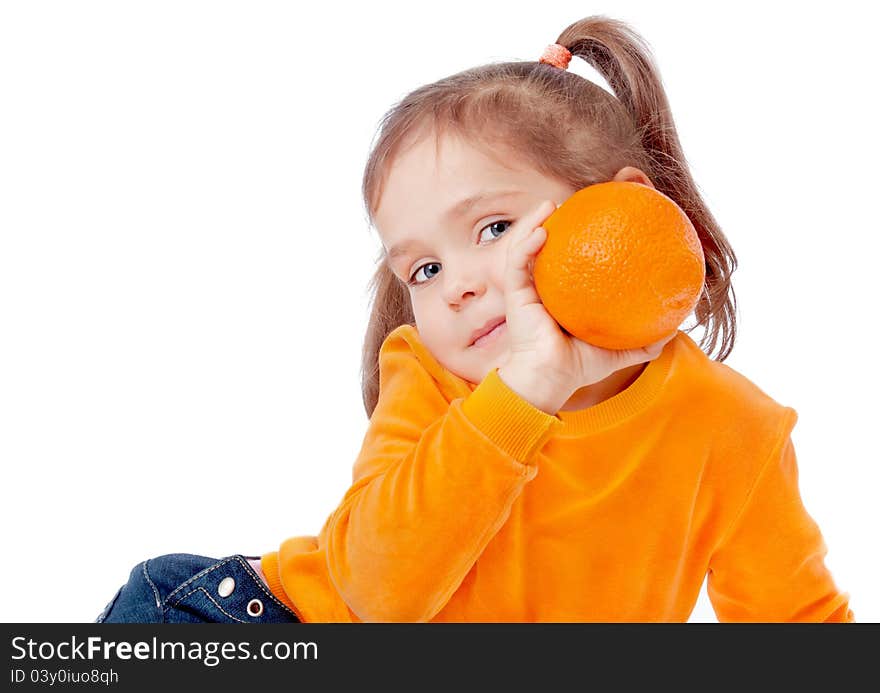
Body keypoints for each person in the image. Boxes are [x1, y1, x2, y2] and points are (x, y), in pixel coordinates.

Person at [96, 15, 854, 624]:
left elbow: (799, 623)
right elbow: (378, 595)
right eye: (423, 269)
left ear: (621, 210)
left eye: (491, 228)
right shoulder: (430, 374)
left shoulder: (733, 428)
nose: (454, 287)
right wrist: (524, 391)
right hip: (246, 627)